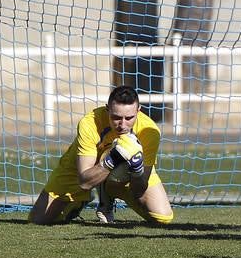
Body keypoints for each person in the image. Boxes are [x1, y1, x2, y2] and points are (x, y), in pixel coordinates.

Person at [28, 85, 174, 225]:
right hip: (83, 165)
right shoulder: (89, 123)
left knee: (163, 217)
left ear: (139, 111)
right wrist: (114, 158)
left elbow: (139, 189)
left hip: (126, 173)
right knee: (38, 219)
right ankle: (79, 201)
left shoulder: (149, 131)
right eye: (116, 117)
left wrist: (137, 170)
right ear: (107, 109)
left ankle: (111, 190)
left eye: (129, 118)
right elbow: (84, 182)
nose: (122, 124)